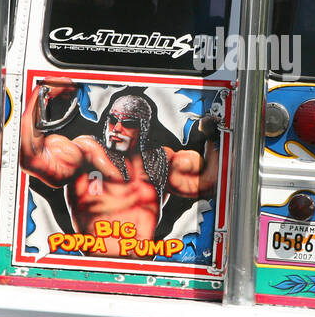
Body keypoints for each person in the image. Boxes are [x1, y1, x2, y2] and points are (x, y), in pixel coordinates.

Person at [19, 81, 219, 255]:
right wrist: (41, 94)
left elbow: (209, 184)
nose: (116, 129)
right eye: (113, 120)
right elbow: (32, 158)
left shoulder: (162, 161)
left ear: (144, 128)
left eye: (128, 124)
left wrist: (212, 138)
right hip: (89, 271)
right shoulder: (87, 151)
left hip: (143, 271)